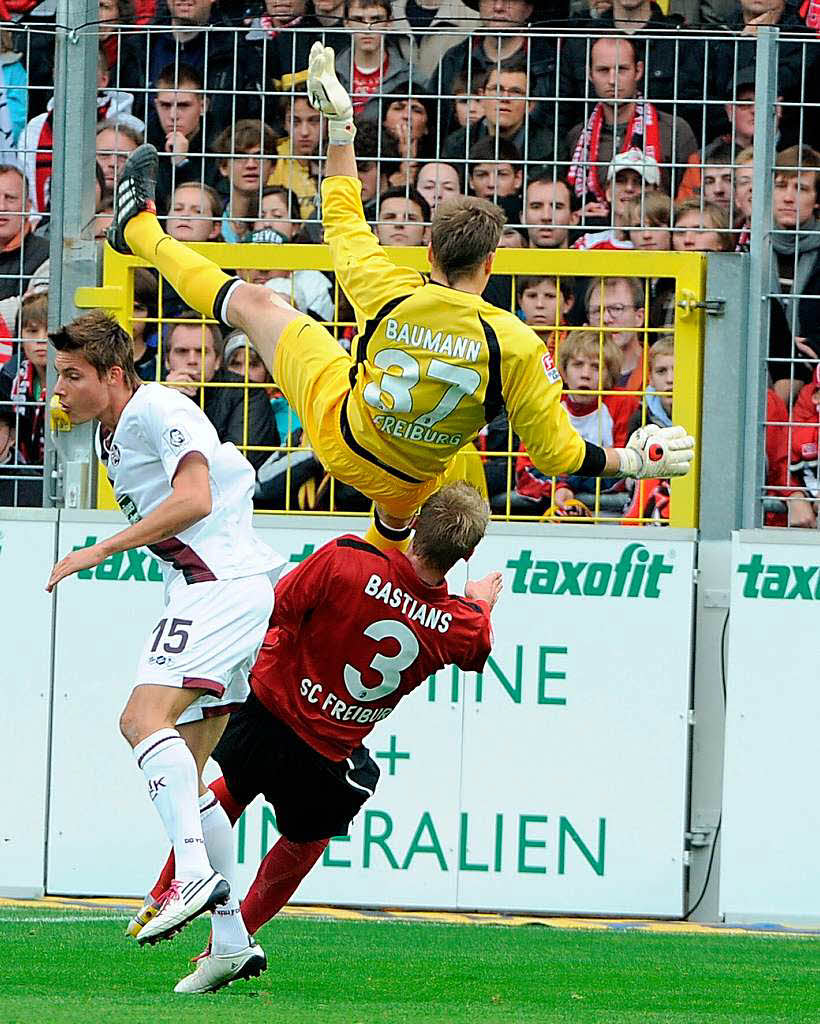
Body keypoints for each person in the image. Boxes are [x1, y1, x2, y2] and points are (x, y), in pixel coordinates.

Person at [107, 43, 695, 556]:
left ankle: (137, 229)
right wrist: (632, 459)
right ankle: (387, 559)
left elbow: (341, 216)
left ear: (430, 252)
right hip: (414, 480)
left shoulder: (391, 290)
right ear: (490, 265)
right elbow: (560, 455)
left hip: (343, 432)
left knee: (255, 304)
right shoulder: (514, 342)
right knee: (455, 471)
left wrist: (343, 131)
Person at [130, 481, 502, 994]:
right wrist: (480, 601)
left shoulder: (347, 559)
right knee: (307, 839)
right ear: (467, 553)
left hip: (265, 711)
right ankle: (226, 946)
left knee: (228, 791)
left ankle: (164, 891)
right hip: (326, 751)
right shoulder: (460, 626)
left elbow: (274, 611)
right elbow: (476, 640)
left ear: (413, 522)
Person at [45, 309, 285, 981]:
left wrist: (99, 548)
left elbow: (197, 497)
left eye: (71, 375)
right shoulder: (114, 429)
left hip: (221, 585)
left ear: (114, 375)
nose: (57, 389)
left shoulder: (155, 406)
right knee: (192, 771)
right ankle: (232, 940)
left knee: (140, 720)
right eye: (54, 374)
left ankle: (192, 872)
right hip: (215, 586)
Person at [163, 314, 280, 471]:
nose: (192, 360)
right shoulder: (154, 395)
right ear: (166, 361)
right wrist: (167, 402)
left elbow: (237, 463)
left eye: (201, 351)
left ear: (218, 361)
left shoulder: (248, 392)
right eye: (182, 351)